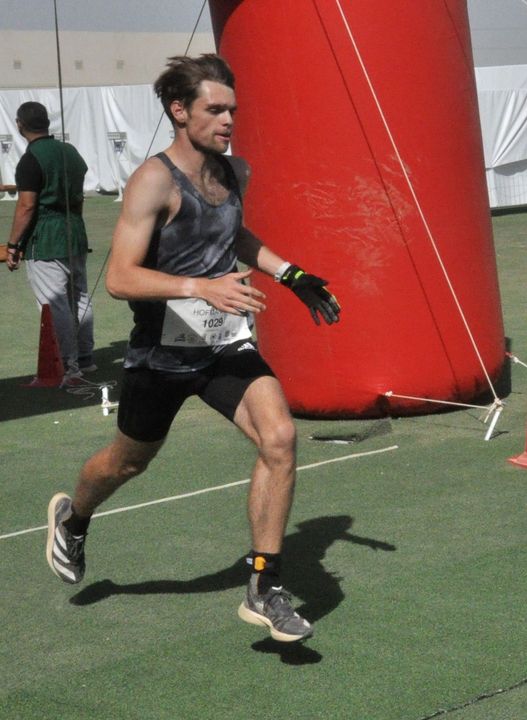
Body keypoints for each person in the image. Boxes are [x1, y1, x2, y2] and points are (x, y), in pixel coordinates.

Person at [43, 54, 341, 643]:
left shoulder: (235, 173)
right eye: (215, 109)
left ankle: (263, 588)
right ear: (180, 111)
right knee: (128, 462)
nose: (229, 119)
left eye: (233, 108)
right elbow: (121, 277)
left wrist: (292, 275)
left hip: (223, 344)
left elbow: (233, 235)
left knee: (279, 438)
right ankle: (73, 518)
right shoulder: (153, 180)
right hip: (160, 355)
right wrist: (201, 286)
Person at [6, 101, 96, 381]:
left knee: (54, 303)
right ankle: (84, 357)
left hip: (46, 238)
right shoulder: (70, 151)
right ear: (47, 122)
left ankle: (68, 367)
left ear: (20, 125)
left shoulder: (30, 159)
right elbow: (78, 197)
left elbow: (27, 206)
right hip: (75, 231)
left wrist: (12, 245)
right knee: (79, 296)